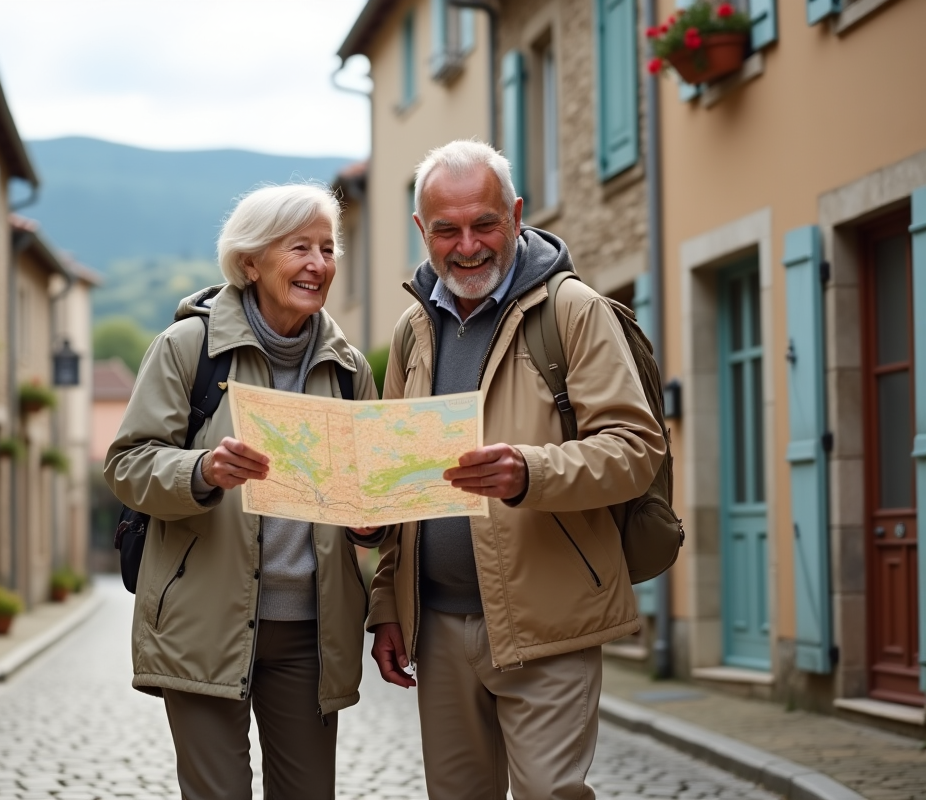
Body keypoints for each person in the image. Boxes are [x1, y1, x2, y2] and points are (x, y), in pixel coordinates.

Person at [368, 140, 666, 800]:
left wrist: (531, 472)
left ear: (517, 214)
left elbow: (636, 448)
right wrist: (387, 604)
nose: (467, 245)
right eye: (446, 229)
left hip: (548, 624)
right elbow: (395, 479)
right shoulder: (413, 332)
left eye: (484, 223)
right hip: (438, 628)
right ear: (423, 230)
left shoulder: (572, 310)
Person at [104, 183, 381, 800]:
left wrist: (374, 519)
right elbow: (127, 465)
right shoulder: (188, 348)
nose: (318, 263)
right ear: (250, 262)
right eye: (299, 247)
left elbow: (365, 491)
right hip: (203, 618)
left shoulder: (349, 368)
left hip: (311, 631)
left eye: (328, 249)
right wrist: (203, 472)